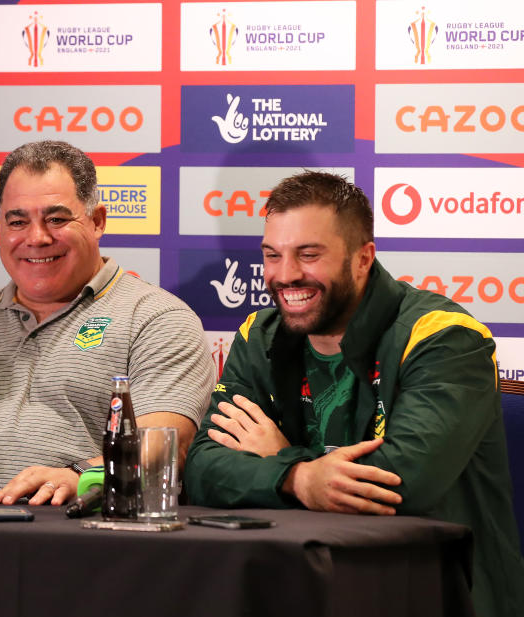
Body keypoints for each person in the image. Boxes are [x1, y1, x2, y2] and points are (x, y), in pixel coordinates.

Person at [184, 170, 524, 617]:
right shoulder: (258, 335)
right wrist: (300, 478)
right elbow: (202, 466)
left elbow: (401, 484)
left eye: (308, 254)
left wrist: (280, 458)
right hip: (301, 587)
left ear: (363, 259)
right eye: (272, 255)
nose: (285, 276)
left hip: (435, 592)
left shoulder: (444, 337)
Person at [0, 140, 214, 504]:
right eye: (18, 221)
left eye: (57, 219)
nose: (37, 237)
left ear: (97, 221)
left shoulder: (156, 319)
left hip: (78, 537)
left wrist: (82, 476)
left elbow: (163, 449)